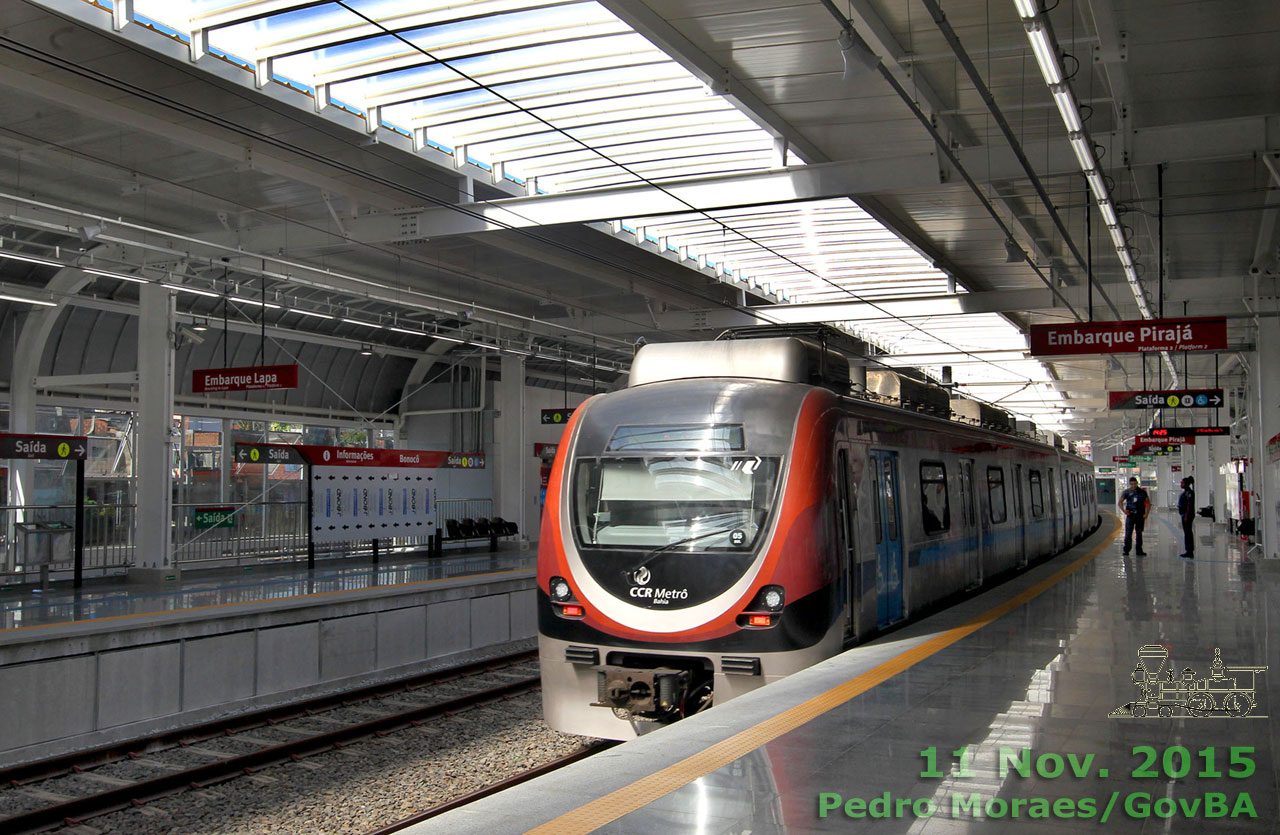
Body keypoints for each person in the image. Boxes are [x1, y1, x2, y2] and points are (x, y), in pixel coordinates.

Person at [1118, 476, 1149, 556]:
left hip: (1140, 515)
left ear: (1137, 483)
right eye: (1132, 484)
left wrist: (1146, 514)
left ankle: (1139, 550)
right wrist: (1124, 511)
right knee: (1128, 533)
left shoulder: (1142, 492)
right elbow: (1120, 502)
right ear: (1130, 484)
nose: (1133, 486)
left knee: (1139, 533)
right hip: (1130, 515)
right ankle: (1126, 550)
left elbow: (1148, 503)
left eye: (1135, 484)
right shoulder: (1127, 492)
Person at [1178, 476, 1196, 558]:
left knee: (1188, 533)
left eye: (1182, 483)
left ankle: (1189, 551)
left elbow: (1189, 505)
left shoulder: (1189, 492)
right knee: (1187, 532)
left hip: (1187, 515)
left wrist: (1186, 515)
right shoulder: (1186, 492)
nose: (1181, 484)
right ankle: (1188, 550)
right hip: (1184, 514)